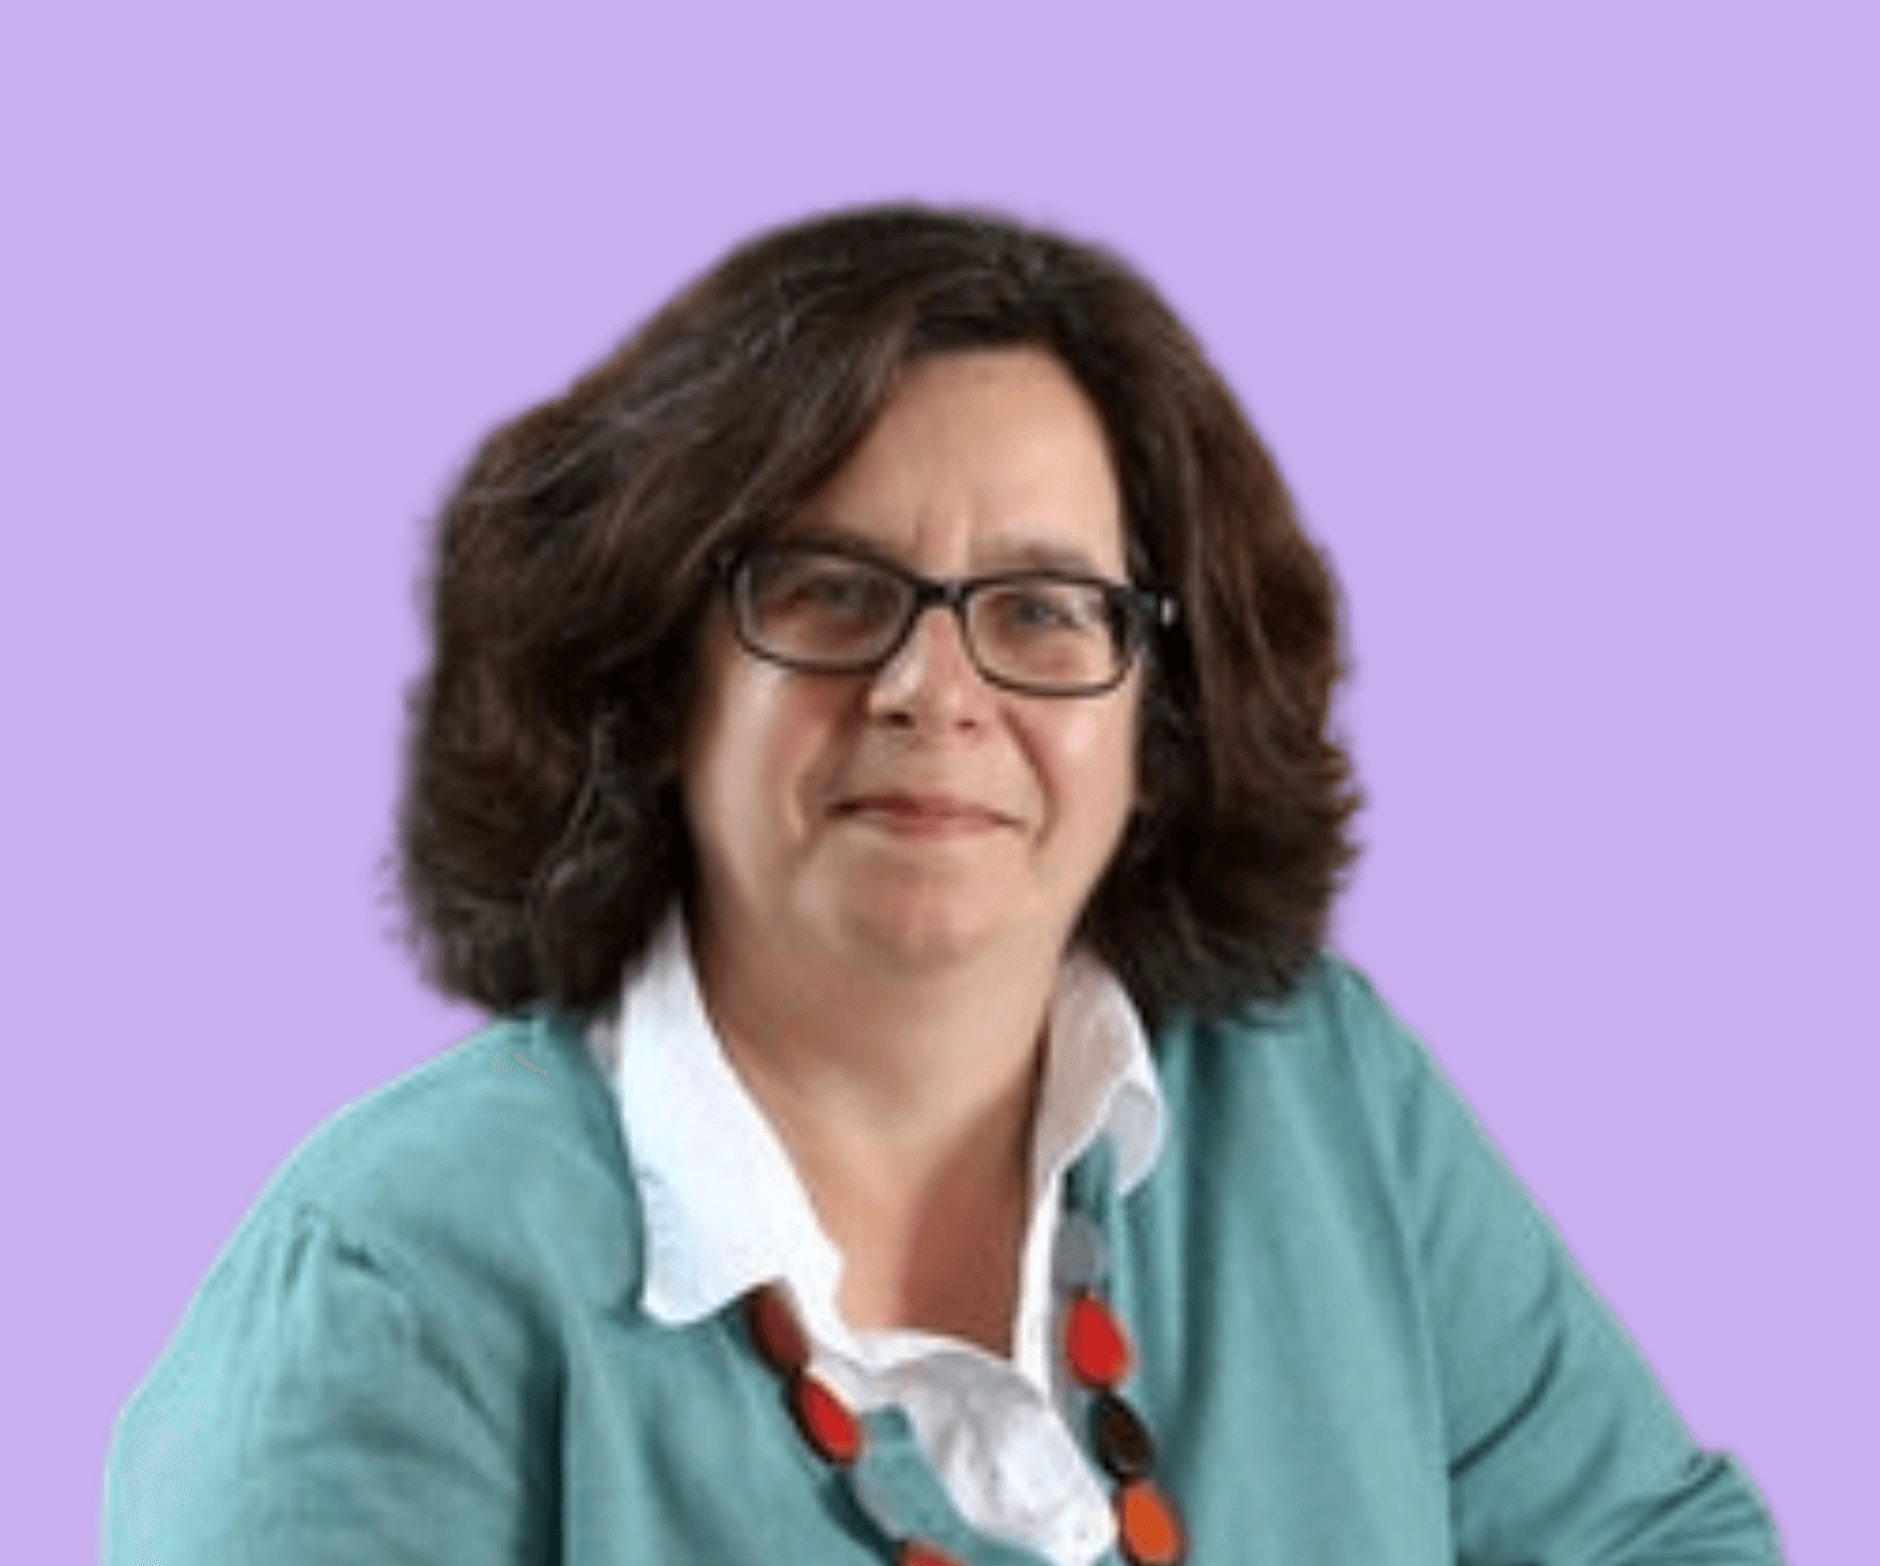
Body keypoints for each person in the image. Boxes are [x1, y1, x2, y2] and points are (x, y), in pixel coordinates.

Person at [102, 204, 1785, 1564]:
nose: (933, 688)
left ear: (1158, 721)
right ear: (658, 679)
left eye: (1042, 610)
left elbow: (1655, 1543)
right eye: (832, 591)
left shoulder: (1319, 1094)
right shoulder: (400, 1279)